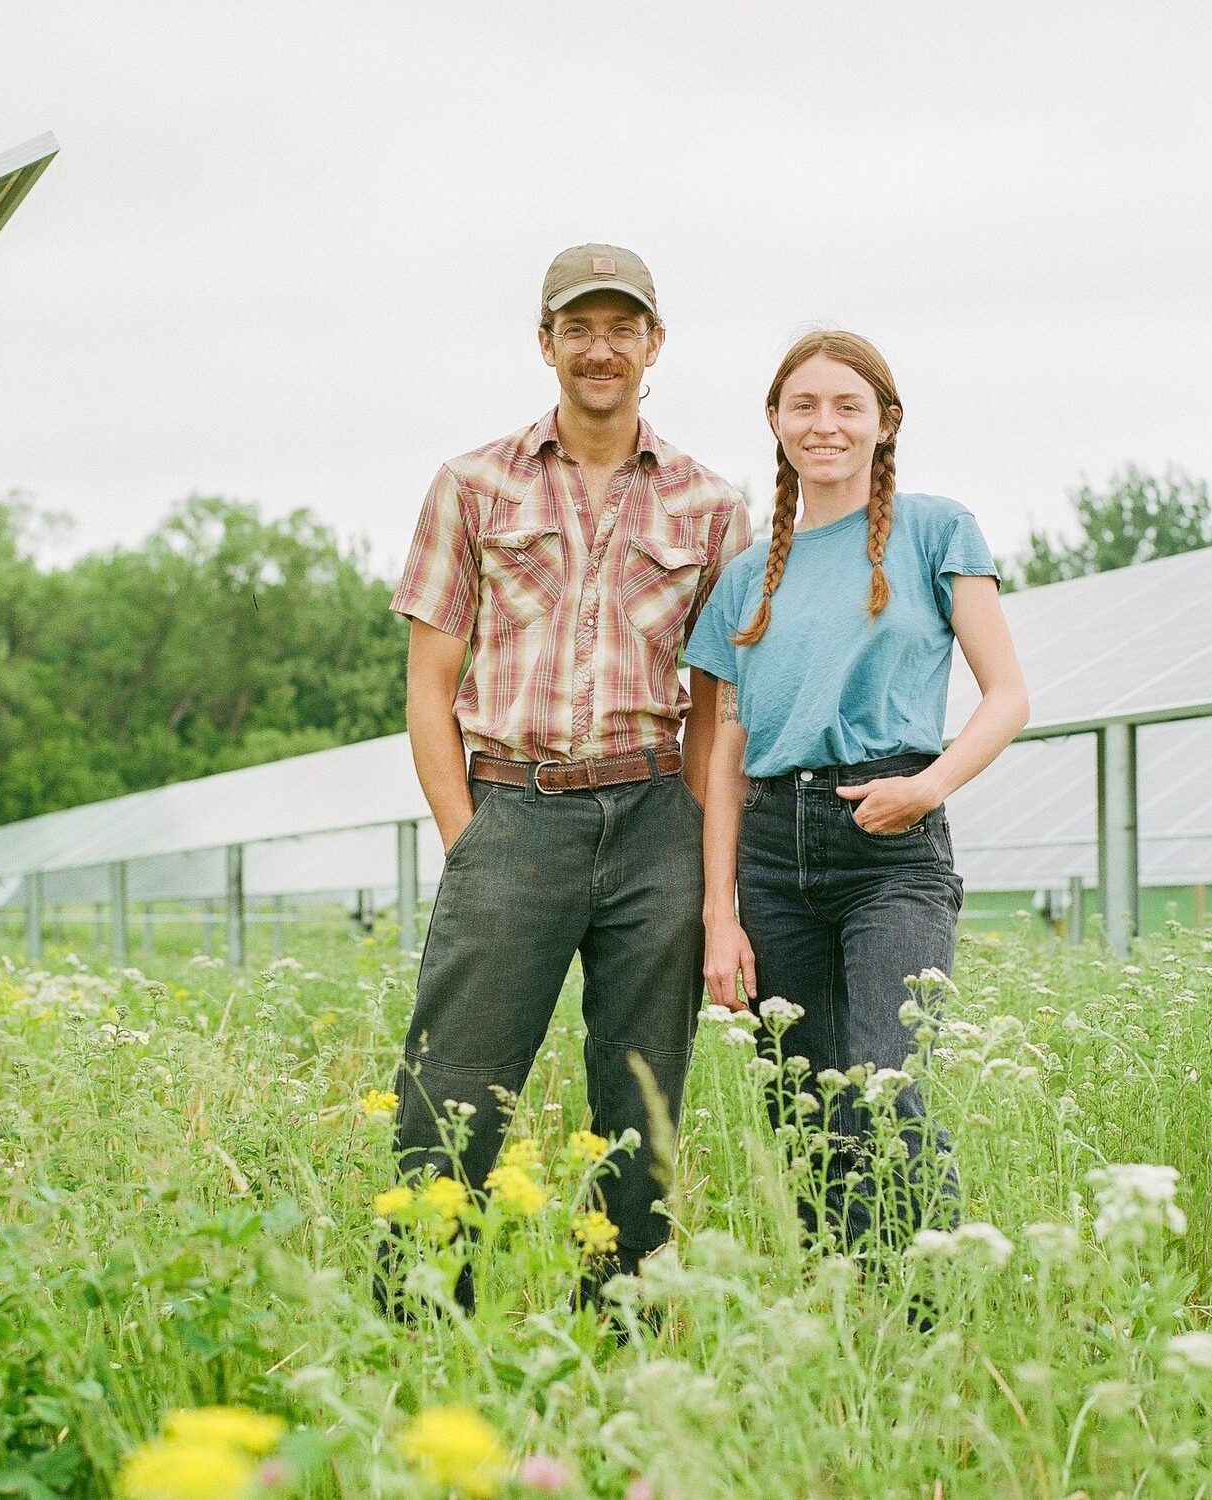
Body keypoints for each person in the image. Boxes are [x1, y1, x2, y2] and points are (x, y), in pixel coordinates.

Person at [380, 244, 751, 1315]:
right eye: (578, 329)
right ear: (545, 344)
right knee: (453, 1092)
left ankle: (623, 1332)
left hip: (652, 821)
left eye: (621, 328)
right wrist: (472, 837)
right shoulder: (473, 485)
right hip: (514, 808)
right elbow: (428, 686)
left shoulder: (709, 506)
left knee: (642, 1105)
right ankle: (416, 1324)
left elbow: (718, 704)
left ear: (654, 345)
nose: (601, 349)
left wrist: (694, 844)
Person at [686, 329, 1028, 1249]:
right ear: (776, 422)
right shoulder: (745, 579)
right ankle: (848, 1316)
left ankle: (928, 1308)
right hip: (769, 849)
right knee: (803, 1108)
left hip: (891, 843)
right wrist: (719, 913)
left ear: (886, 423)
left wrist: (926, 788)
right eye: (804, 405)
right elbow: (724, 750)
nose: (824, 424)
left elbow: (1008, 698)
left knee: (887, 1086)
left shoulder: (936, 530)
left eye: (847, 405)